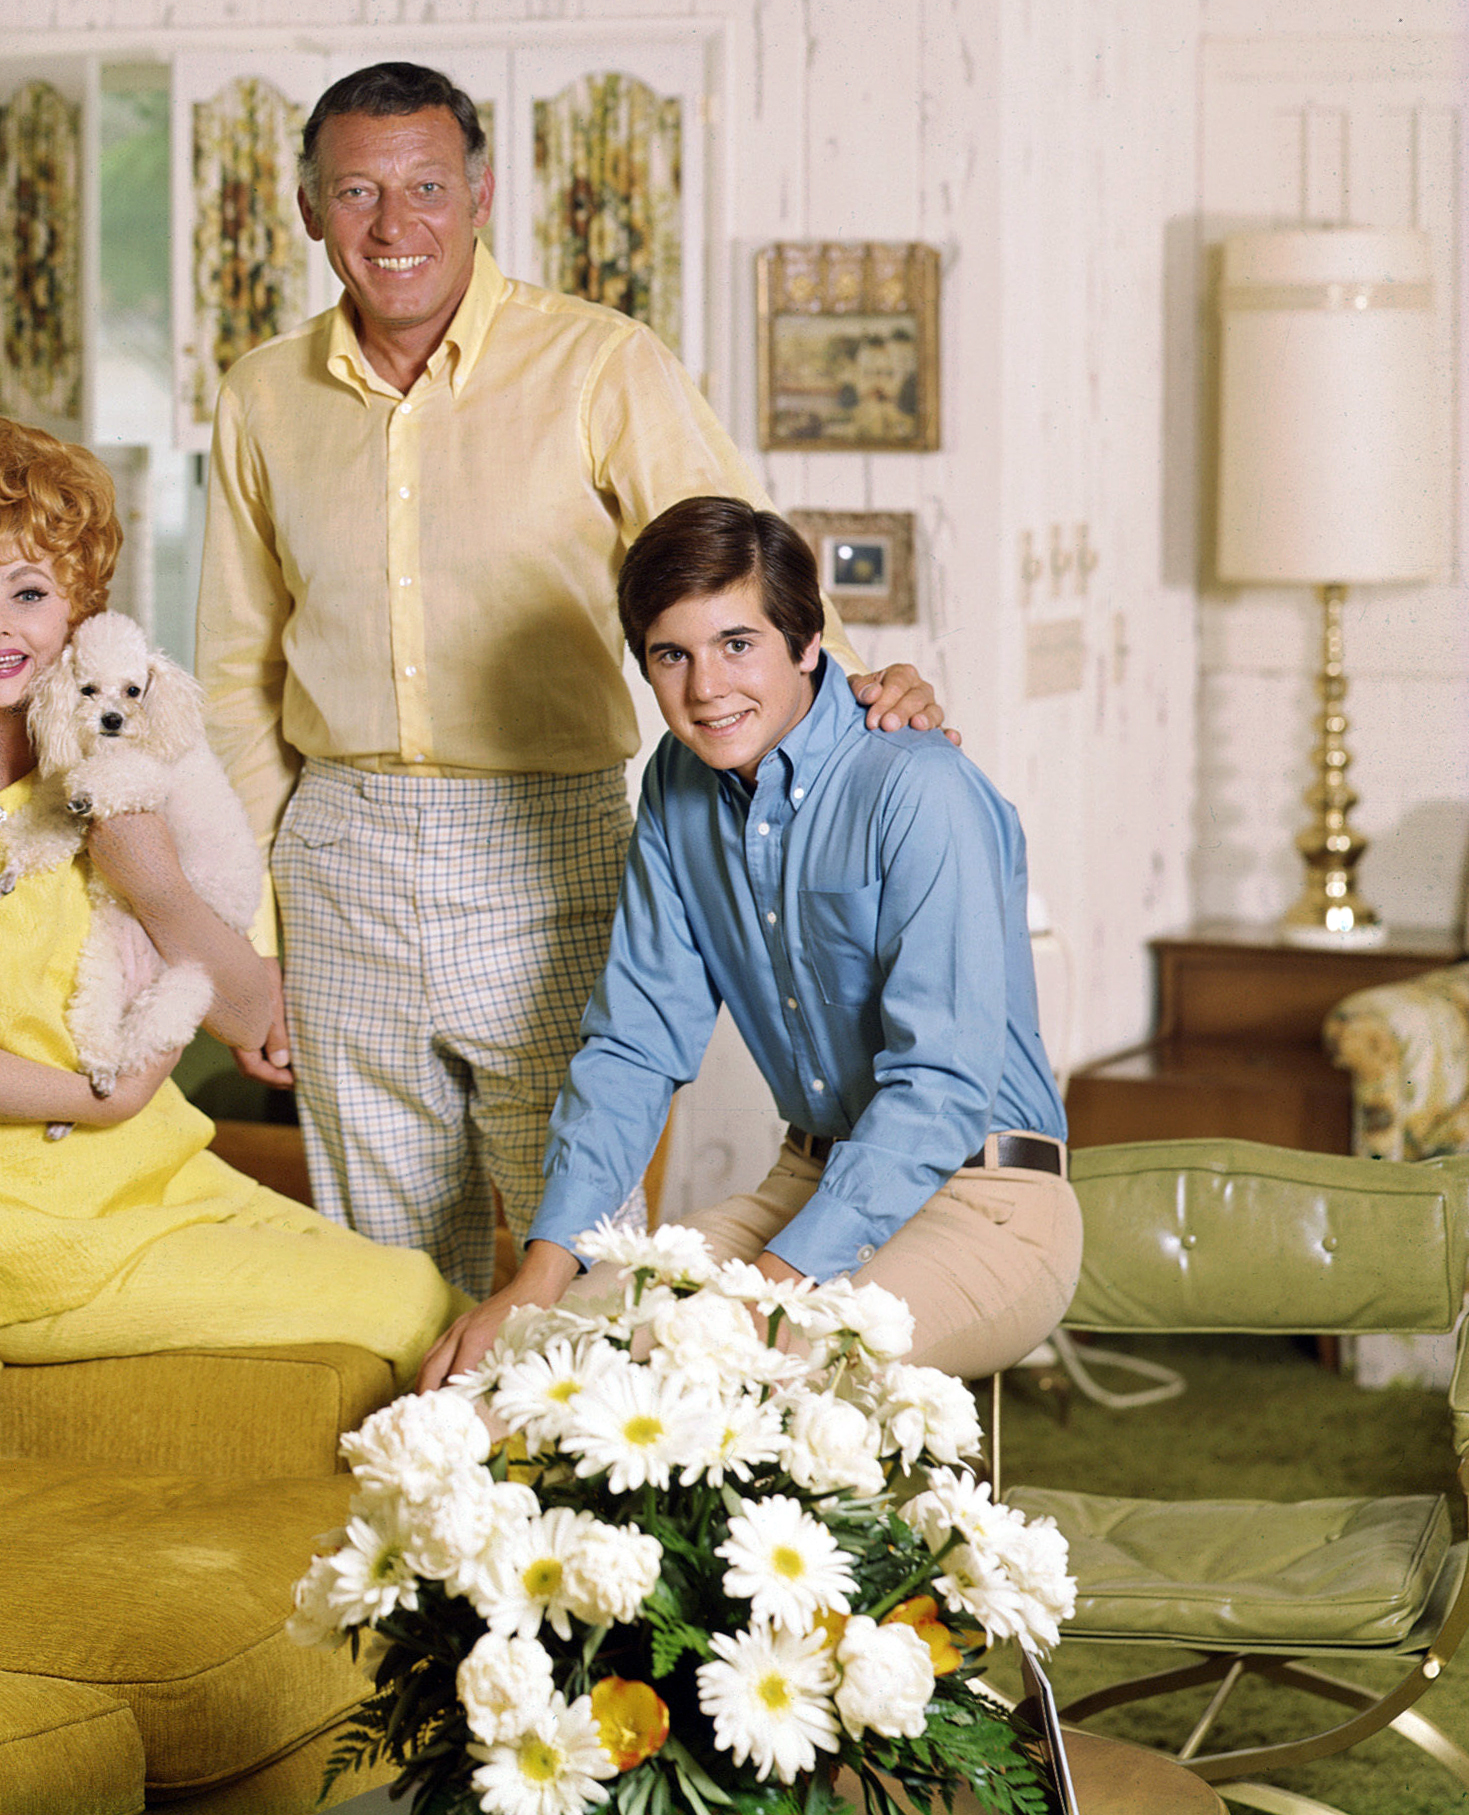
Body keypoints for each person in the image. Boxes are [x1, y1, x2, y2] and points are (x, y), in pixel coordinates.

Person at [198, 59, 950, 1297]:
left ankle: (582, 1486)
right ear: (307, 208)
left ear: (482, 194)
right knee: (381, 1272)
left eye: (429, 186)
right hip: (337, 855)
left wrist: (869, 707)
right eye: (358, 192)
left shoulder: (601, 364)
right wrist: (255, 937)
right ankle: (408, 1487)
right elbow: (236, 677)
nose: (397, 226)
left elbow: (744, 578)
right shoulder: (261, 397)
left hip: (546, 847)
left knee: (586, 1248)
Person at [0, 416, 465, 1379]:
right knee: (416, 1308)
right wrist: (104, 1104)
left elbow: (250, 1012)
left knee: (442, 1296)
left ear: (83, 613)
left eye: (29, 593)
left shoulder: (120, 770)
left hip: (164, 1187)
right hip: (29, 1234)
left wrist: (149, 876)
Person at [421, 498, 1080, 1385]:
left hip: (987, 1203)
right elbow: (633, 1043)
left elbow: (940, 1086)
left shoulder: (919, 789)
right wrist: (537, 1277)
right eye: (671, 655)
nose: (704, 689)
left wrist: (765, 1293)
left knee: (732, 1372)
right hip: (804, 1181)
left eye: (737, 645)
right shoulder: (675, 783)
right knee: (543, 1363)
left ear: (808, 644)